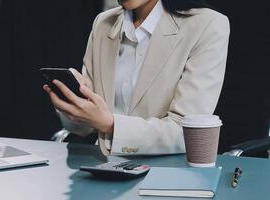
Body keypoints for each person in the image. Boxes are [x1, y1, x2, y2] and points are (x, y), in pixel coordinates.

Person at [43, 0, 230, 156]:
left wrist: (110, 124)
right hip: (102, 169)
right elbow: (83, 128)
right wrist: (72, 104)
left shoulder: (208, 25)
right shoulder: (103, 23)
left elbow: (187, 132)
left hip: (166, 175)